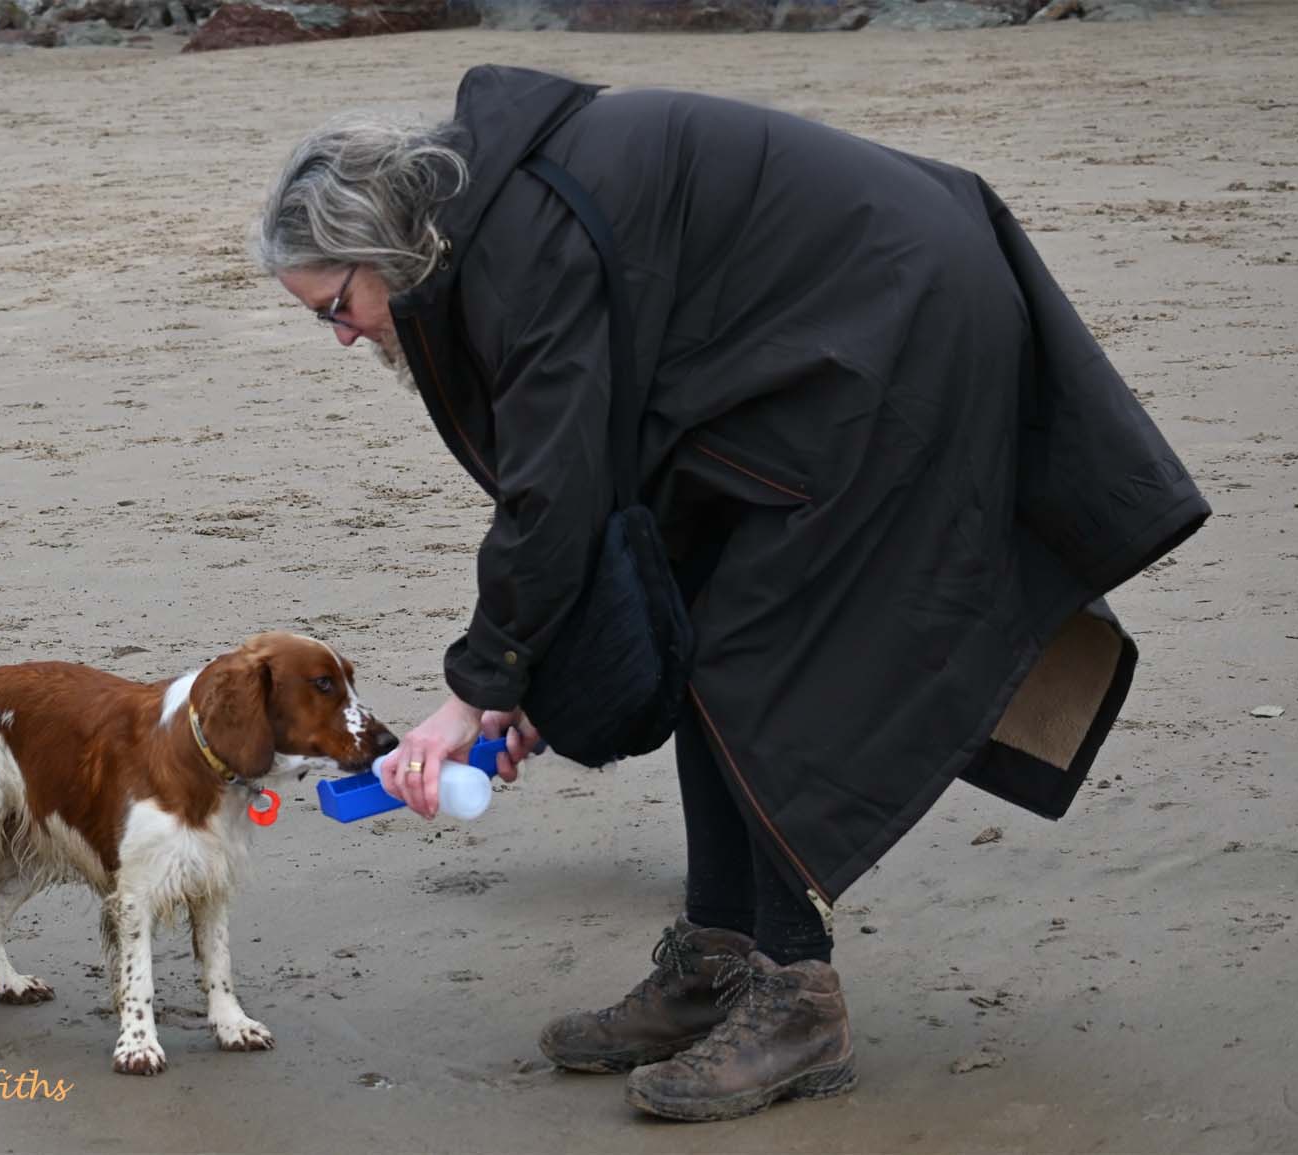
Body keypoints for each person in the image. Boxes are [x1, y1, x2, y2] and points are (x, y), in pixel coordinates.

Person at [253, 65, 1209, 1123]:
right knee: (696, 612)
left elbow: (555, 492)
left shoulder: (519, 247)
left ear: (385, 246)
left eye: (338, 306)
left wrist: (475, 690)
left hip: (901, 327)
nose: (344, 335)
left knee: (759, 648)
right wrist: (534, 677)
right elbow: (616, 490)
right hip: (825, 333)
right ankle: (717, 956)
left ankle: (796, 996)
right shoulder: (488, 219)